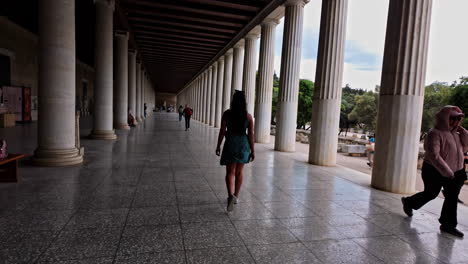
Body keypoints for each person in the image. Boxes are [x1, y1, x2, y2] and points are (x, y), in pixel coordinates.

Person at [402, 106, 468, 237]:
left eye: (459, 118)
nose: (456, 122)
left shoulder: (456, 134)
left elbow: (464, 149)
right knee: (431, 193)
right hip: (434, 170)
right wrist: (448, 172)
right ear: (445, 118)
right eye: (453, 118)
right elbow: (434, 155)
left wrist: (465, 135)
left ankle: (448, 225)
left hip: (456, 171)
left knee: (452, 197)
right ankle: (409, 202)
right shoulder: (435, 133)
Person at [216, 91, 255, 212]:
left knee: (230, 172)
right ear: (244, 102)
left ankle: (230, 196)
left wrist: (218, 145)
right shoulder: (248, 116)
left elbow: (222, 131)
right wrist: (252, 150)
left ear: (233, 101)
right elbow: (250, 135)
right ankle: (236, 197)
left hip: (231, 143)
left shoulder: (227, 114)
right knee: (239, 172)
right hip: (243, 144)